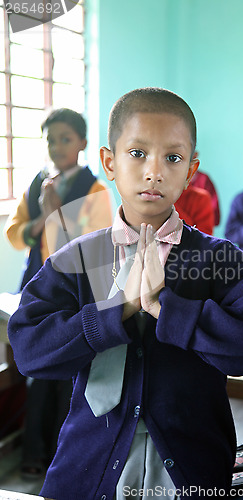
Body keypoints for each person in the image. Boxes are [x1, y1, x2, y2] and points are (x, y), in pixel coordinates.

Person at [8, 88, 243, 500]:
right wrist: (118, 311)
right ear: (109, 163)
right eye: (137, 153)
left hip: (192, 469)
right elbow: (28, 348)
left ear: (191, 171)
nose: (154, 171)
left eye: (172, 158)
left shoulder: (219, 258)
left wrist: (166, 307)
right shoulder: (77, 259)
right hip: (89, 466)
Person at [5, 108, 113, 479]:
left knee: (69, 371)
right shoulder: (37, 183)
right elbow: (16, 234)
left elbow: (89, 247)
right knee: (37, 368)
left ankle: (62, 455)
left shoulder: (96, 190)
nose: (56, 147)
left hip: (77, 293)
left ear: (83, 143)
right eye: (51, 140)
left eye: (65, 139)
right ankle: (34, 453)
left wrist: (53, 213)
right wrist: (42, 215)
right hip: (37, 288)